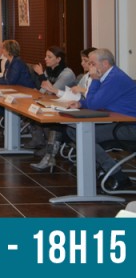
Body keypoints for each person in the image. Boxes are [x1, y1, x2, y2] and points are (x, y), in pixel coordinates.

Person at [36, 49, 136, 190]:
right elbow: (94, 101)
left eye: (92, 63)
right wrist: (80, 104)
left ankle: (116, 174)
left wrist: (94, 79)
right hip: (116, 121)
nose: (90, 67)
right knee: (73, 130)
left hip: (129, 126)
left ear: (105, 63)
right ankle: (103, 170)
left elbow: (94, 103)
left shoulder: (114, 78)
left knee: (83, 133)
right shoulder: (108, 76)